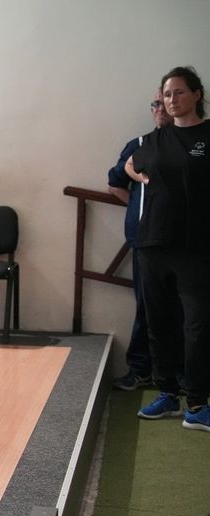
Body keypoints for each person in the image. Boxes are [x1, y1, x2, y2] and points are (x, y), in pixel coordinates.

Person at [126, 66, 210, 432]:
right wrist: (138, 174)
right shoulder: (152, 141)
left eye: (178, 92)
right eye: (166, 94)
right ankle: (167, 394)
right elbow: (131, 165)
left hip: (196, 247)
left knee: (198, 326)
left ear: (196, 94)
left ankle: (197, 403)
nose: (170, 100)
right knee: (159, 324)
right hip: (153, 244)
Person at [107, 91, 181, 391]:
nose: (161, 107)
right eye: (156, 103)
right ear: (152, 111)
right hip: (144, 241)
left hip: (184, 243)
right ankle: (141, 369)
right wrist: (143, 212)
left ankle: (183, 375)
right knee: (147, 308)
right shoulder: (138, 146)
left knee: (185, 309)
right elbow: (115, 184)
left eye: (166, 102)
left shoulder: (189, 145)